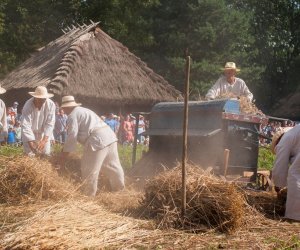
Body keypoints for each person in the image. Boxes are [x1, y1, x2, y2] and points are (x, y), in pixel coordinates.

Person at [58, 96, 125, 196]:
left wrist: (63, 155)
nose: (63, 110)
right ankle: (120, 191)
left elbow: (72, 136)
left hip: (97, 140)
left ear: (66, 107)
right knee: (113, 166)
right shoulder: (84, 110)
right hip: (110, 136)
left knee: (89, 170)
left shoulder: (72, 115)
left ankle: (88, 197)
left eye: (63, 108)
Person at [271, 125, 300, 221]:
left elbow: (280, 166)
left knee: (294, 174)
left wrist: (278, 185)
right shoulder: (294, 134)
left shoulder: (284, 140)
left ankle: (295, 216)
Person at [21, 86, 56, 156]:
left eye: (44, 99)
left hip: (43, 134)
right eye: (39, 100)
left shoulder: (51, 105)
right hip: (30, 134)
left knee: (46, 154)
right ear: (35, 97)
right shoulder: (28, 106)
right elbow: (26, 125)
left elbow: (50, 124)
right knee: (30, 155)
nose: (42, 102)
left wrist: (44, 140)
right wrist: (31, 142)